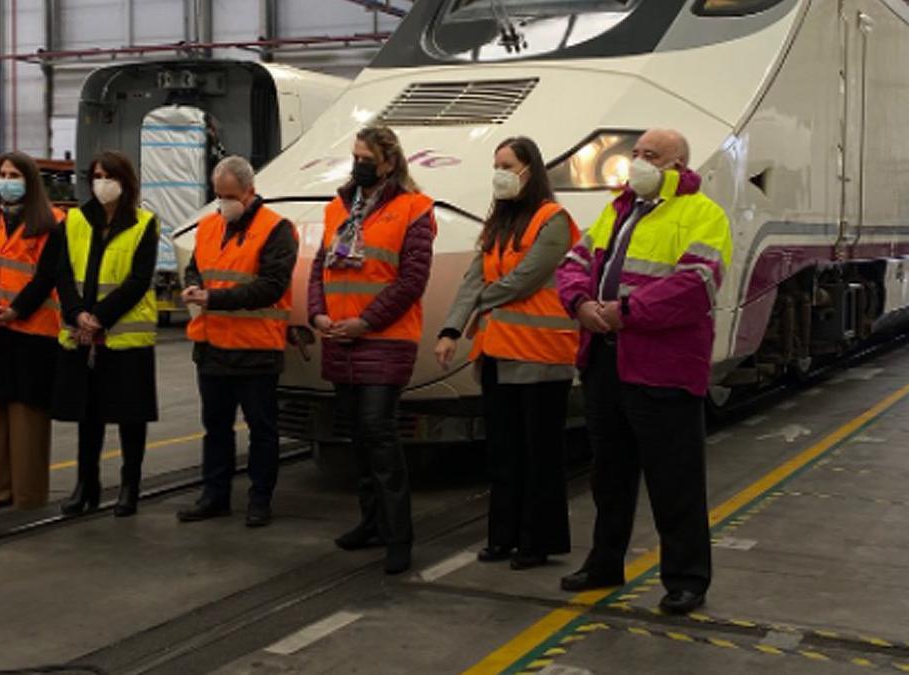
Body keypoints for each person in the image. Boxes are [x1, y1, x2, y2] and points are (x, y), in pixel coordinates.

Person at [555, 128, 732, 615]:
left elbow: (694, 285)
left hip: (663, 367)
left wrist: (622, 311)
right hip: (605, 361)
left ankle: (686, 578)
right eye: (635, 154)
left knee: (674, 480)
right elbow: (573, 261)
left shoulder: (702, 215)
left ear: (676, 166)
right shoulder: (616, 210)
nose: (637, 162)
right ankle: (604, 563)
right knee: (608, 475)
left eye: (649, 156)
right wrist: (580, 302)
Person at [434, 136, 578, 570]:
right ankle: (503, 537)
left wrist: (481, 302)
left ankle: (538, 542)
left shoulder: (553, 220)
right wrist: (450, 329)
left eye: (507, 164)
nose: (499, 172)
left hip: (540, 357)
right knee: (503, 453)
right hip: (497, 354)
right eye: (495, 164)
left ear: (530, 170)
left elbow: (526, 279)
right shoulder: (496, 224)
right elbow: (472, 279)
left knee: (540, 455)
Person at [308, 126, 436, 575]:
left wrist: (366, 321)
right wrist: (318, 314)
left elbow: (411, 280)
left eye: (365, 158)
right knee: (358, 440)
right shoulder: (338, 208)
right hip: (340, 337)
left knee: (381, 437)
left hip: (384, 338)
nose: (357, 164)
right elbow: (319, 270)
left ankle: (399, 536)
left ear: (387, 162)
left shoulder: (414, 209)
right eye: (354, 156)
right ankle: (371, 524)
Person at [176, 156, 298, 527]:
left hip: (256, 348)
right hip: (212, 346)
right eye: (218, 195)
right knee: (215, 428)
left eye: (229, 196)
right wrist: (193, 284)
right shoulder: (210, 225)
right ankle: (214, 496)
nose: (223, 202)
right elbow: (197, 266)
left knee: (261, 430)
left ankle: (260, 499)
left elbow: (271, 286)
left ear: (250, 192)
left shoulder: (277, 229)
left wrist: (214, 298)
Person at [52, 151, 159, 518]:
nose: (101, 183)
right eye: (96, 175)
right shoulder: (74, 221)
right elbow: (63, 273)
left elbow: (138, 281)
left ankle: (130, 486)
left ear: (124, 181)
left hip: (125, 336)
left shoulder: (145, 223)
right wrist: (76, 314)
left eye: (108, 176)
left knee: (131, 416)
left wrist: (99, 317)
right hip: (82, 334)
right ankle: (87, 485)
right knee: (89, 415)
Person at [0, 153, 66, 510]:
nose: (7, 180)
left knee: (28, 416)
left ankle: (28, 494)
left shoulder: (53, 222)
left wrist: (14, 311)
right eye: (3, 174)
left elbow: (46, 276)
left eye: (15, 175)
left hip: (32, 332)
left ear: (30, 181)